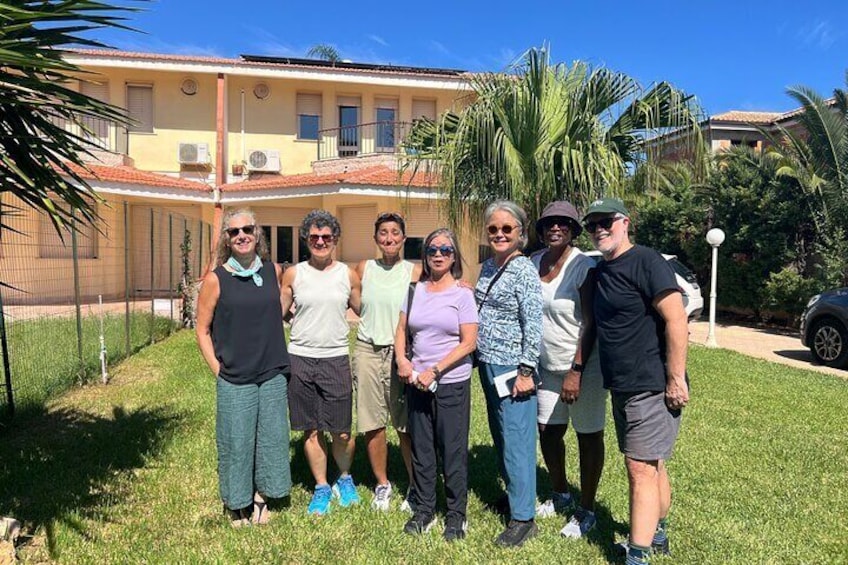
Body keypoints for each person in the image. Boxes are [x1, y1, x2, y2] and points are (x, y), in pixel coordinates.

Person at [583, 198, 689, 565]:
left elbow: (676, 319)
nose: (599, 229)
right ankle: (657, 533)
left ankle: (637, 555)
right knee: (652, 463)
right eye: (592, 224)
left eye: (606, 221)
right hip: (623, 384)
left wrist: (675, 379)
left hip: (651, 382)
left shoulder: (647, 260)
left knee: (639, 467)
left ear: (625, 222)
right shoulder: (600, 271)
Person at [195, 208, 291, 527]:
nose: (241, 236)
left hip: (272, 370)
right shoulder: (216, 279)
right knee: (236, 440)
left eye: (247, 229)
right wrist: (217, 369)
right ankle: (237, 503)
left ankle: (262, 495)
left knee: (271, 437)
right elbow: (202, 329)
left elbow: (276, 312)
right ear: (226, 239)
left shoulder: (271, 270)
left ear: (257, 233)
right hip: (235, 375)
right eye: (234, 232)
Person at [394, 228, 478, 541]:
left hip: (450, 383)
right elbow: (401, 330)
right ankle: (425, 509)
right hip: (417, 383)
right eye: (432, 250)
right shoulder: (415, 290)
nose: (438, 254)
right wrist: (403, 361)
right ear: (425, 256)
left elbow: (469, 342)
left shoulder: (462, 294)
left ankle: (456, 516)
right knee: (422, 449)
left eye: (445, 249)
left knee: (452, 451)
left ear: (454, 256)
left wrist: (436, 370)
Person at [530, 201, 606, 539]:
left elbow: (590, 322)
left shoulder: (584, 266)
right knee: (547, 430)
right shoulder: (533, 263)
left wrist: (576, 369)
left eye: (563, 223)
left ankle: (587, 509)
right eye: (549, 223)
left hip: (583, 367)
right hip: (546, 366)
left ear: (574, 229)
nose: (555, 228)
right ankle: (560, 492)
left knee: (588, 436)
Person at [279, 209, 362, 515]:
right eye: (314, 237)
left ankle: (344, 478)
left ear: (335, 239)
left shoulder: (347, 275)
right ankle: (321, 487)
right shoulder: (294, 274)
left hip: (335, 358)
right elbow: (278, 312)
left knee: (341, 430)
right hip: (300, 358)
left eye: (326, 237)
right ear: (306, 239)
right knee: (311, 429)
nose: (320, 241)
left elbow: (365, 309)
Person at [475, 200, 543, 547]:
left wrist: (526, 371)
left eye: (507, 229)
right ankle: (515, 495)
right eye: (493, 229)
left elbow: (533, 324)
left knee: (517, 440)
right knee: (501, 435)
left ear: (520, 233)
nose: (499, 234)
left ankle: (524, 519)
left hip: (514, 369)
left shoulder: (525, 270)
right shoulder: (487, 266)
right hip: (487, 364)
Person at [354, 212, 422, 511]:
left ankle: (415, 485)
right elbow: (356, 303)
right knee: (372, 422)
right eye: (383, 232)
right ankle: (382, 484)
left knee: (406, 425)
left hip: (402, 354)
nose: (389, 238)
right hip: (367, 350)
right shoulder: (364, 268)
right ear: (376, 238)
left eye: (395, 232)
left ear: (404, 238)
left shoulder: (414, 271)